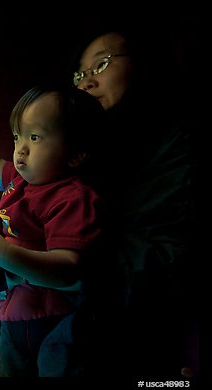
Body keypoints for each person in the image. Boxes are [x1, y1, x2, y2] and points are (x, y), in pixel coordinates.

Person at [66, 26, 200, 379]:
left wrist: (42, 267)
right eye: (80, 73)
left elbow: (167, 261)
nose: (86, 82)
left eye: (102, 64)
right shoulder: (85, 156)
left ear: (145, 66)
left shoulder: (178, 141)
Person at [0, 77, 106, 377]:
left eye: (35, 138)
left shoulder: (72, 197)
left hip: (55, 321)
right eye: (17, 137)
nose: (21, 150)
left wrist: (2, 255)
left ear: (76, 153)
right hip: (13, 316)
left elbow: (68, 269)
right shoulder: (18, 181)